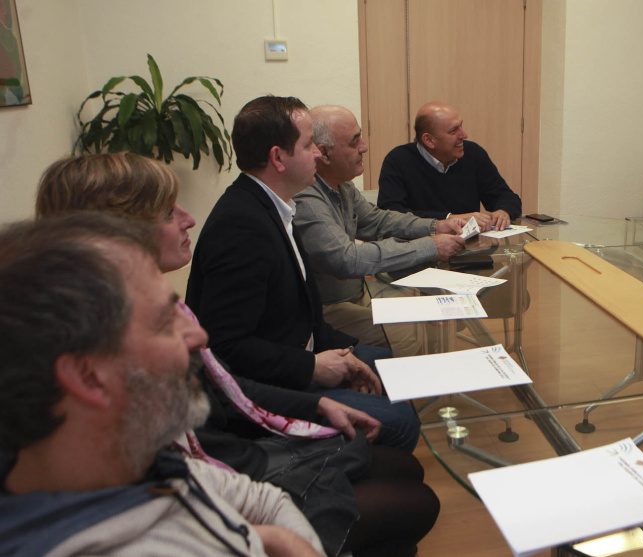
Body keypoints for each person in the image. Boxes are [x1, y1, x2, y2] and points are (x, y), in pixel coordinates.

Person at [35, 152, 440, 557]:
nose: (188, 218)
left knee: (404, 469)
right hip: (226, 455)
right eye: (168, 212)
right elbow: (188, 462)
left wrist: (316, 403)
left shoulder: (134, 303)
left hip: (224, 453)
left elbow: (220, 384)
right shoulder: (105, 341)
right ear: (117, 234)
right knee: (411, 489)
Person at [0, 213, 325, 556]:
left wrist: (276, 539)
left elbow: (266, 501)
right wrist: (275, 541)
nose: (199, 335)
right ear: (88, 377)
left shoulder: (133, 461)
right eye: (166, 322)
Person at [186, 96, 421, 452]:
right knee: (401, 423)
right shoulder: (241, 227)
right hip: (266, 389)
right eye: (309, 145)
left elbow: (303, 317)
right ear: (278, 158)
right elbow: (225, 349)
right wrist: (310, 366)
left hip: (297, 356)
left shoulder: (276, 206)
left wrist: (344, 351)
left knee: (391, 367)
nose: (318, 154)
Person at [294, 105, 467, 356]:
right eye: (354, 142)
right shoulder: (307, 198)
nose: (364, 147)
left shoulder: (341, 186)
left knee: (434, 308)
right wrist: (431, 245)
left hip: (356, 294)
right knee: (409, 329)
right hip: (327, 308)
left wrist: (435, 225)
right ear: (324, 153)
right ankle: (403, 381)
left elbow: (376, 221)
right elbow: (347, 259)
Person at [377, 101, 522, 231]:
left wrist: (503, 211)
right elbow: (391, 215)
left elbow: (507, 196)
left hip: (470, 246)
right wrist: (449, 218)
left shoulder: (473, 153)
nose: (464, 135)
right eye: (453, 131)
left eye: (461, 126)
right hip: (421, 246)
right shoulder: (398, 160)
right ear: (429, 140)